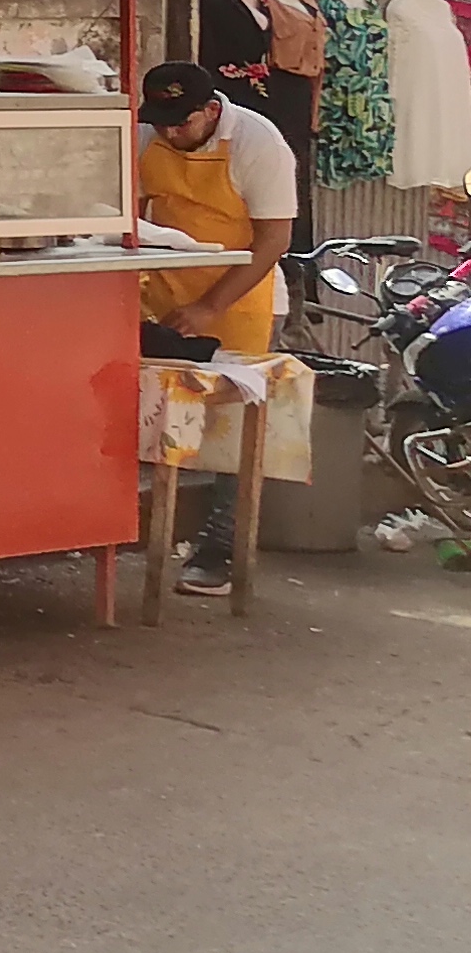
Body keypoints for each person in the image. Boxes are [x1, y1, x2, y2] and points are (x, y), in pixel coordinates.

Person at [135, 58, 299, 599]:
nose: (169, 133)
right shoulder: (145, 139)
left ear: (211, 110)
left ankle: (220, 548)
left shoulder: (258, 142)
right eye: (160, 122)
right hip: (163, 290)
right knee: (153, 414)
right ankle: (132, 531)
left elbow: (274, 240)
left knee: (232, 431)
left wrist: (209, 307)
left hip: (240, 298)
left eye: (181, 122)